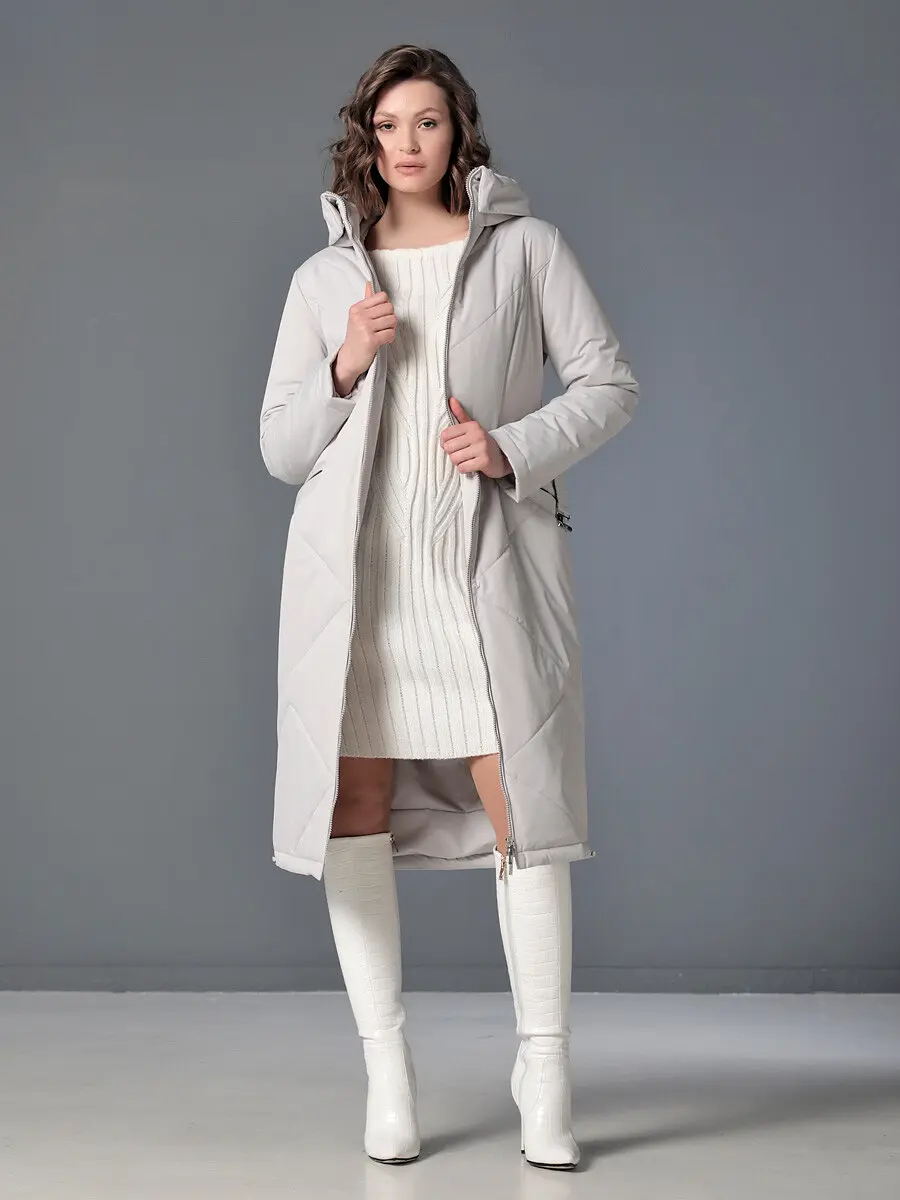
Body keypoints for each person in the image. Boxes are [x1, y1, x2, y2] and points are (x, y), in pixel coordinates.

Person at [259, 43, 639, 1170]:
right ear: (365, 140)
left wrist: (512, 445)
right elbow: (280, 450)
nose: (408, 143)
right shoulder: (323, 281)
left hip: (482, 583)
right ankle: (389, 1075)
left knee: (528, 817)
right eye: (388, 126)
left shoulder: (527, 249)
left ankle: (545, 1072)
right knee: (352, 811)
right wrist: (342, 365)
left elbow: (610, 384)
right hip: (361, 593)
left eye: (427, 121)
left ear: (458, 129)